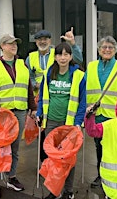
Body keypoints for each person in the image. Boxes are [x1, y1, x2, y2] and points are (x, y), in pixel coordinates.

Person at [0, 34, 37, 199]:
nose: (13, 46)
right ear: (2, 47)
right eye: (9, 44)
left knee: (14, 148)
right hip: (3, 113)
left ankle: (11, 177)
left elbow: (28, 88)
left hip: (20, 111)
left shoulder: (22, 65)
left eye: (15, 43)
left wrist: (33, 108)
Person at [36, 42, 86, 199]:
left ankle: (68, 191)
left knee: (68, 159)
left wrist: (78, 123)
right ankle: (54, 191)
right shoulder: (48, 73)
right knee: (54, 158)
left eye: (66, 54)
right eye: (59, 54)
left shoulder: (79, 75)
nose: (62, 57)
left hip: (69, 124)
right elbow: (42, 96)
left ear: (71, 56)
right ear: (55, 56)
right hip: (51, 122)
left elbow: (83, 102)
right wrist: (39, 113)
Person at [26, 28, 84, 162]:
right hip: (42, 101)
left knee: (63, 145)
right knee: (43, 138)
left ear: (50, 41)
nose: (42, 42)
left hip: (61, 103)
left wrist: (73, 44)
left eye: (45, 39)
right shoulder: (31, 57)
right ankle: (46, 165)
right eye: (40, 40)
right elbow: (29, 75)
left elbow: (78, 59)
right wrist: (35, 84)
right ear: (36, 42)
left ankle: (59, 168)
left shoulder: (57, 52)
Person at [85, 36, 117, 188]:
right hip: (96, 116)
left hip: (114, 116)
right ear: (98, 50)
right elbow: (83, 88)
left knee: (114, 147)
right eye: (104, 47)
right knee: (99, 147)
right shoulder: (91, 66)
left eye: (111, 47)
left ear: (115, 50)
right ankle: (100, 174)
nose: (107, 50)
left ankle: (114, 174)